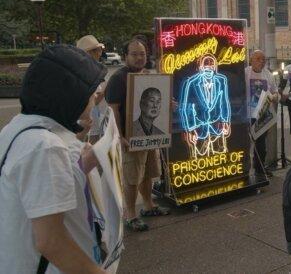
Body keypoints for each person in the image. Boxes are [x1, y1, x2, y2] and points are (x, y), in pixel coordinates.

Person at [0, 45, 108, 273]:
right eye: (90, 95)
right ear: (70, 98)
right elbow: (52, 241)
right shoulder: (45, 148)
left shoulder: (20, 128)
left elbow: (45, 186)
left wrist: (90, 156)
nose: (95, 100)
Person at [105, 39, 169, 232]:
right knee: (132, 177)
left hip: (148, 135)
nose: (139, 57)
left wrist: (168, 105)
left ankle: (149, 206)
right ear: (126, 56)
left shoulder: (147, 75)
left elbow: (158, 103)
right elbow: (113, 110)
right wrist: (120, 136)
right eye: (134, 54)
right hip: (130, 137)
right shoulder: (118, 78)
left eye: (142, 53)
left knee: (147, 173)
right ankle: (130, 215)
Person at [179, 55, 231, 158]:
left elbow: (224, 102)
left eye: (211, 63)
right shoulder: (191, 82)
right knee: (198, 160)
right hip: (198, 128)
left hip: (217, 126)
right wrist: (190, 129)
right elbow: (186, 108)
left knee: (219, 157)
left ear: (215, 66)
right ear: (200, 67)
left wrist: (225, 121)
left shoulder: (221, 80)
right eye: (205, 63)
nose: (208, 66)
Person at [245, 50, 278, 177]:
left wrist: (275, 96)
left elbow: (275, 92)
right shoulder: (246, 73)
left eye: (263, 59)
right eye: (258, 59)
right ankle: (245, 169)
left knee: (261, 144)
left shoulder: (268, 74)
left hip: (263, 114)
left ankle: (260, 168)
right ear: (251, 60)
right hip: (248, 113)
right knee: (246, 143)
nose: (262, 61)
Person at [77, 35, 108, 143]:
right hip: (90, 125)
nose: (99, 53)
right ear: (89, 53)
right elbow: (95, 100)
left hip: (96, 122)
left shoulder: (90, 69)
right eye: (96, 50)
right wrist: (108, 87)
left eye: (99, 50)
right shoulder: (85, 73)